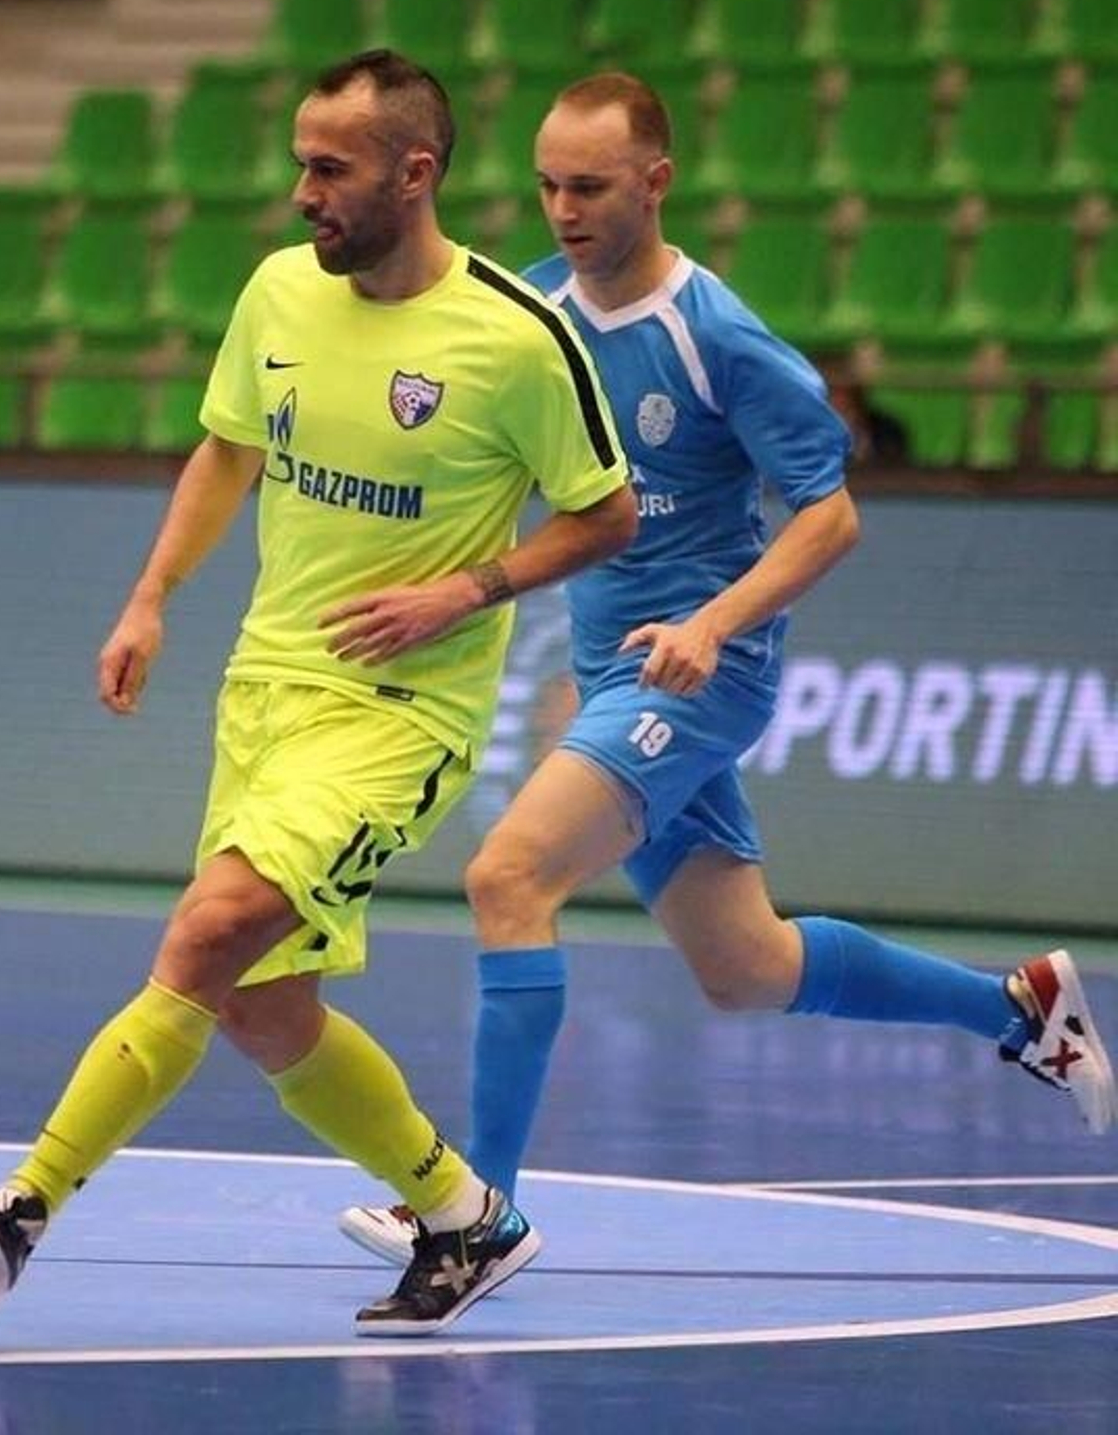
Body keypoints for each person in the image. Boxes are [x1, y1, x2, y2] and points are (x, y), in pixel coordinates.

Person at [339, 70, 1115, 1264]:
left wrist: (710, 623)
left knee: (507, 877)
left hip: (702, 676)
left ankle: (476, 1209)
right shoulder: (532, 314)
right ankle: (1016, 1011)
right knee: (744, 967)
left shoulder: (719, 338)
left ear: (656, 182)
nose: (562, 208)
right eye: (545, 185)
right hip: (612, 676)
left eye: (589, 186)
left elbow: (829, 515)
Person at [0, 50, 639, 1336]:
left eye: (330, 168)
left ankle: (20, 1206)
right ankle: (461, 1216)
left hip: (396, 714)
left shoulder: (512, 338)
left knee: (209, 932)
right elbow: (228, 447)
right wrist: (151, 595)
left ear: (413, 173)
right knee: (265, 1005)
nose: (302, 193)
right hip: (264, 689)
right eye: (299, 164)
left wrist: (467, 588)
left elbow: (605, 516)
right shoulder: (275, 294)